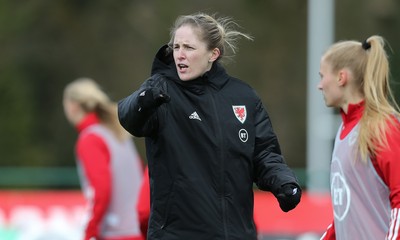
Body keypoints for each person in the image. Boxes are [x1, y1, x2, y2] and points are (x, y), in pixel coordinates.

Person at [118, 12, 301, 240]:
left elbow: (264, 153)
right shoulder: (161, 90)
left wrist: (284, 181)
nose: (180, 55)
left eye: (189, 48)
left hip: (236, 234)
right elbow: (128, 117)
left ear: (213, 54)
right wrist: (143, 100)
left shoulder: (243, 96)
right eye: (176, 47)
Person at [318, 35, 400, 239]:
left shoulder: (382, 127)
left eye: (322, 76)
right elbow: (347, 214)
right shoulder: (343, 131)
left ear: (341, 77)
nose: (320, 86)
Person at [63, 78, 145, 240]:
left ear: (73, 106)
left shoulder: (91, 139)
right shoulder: (119, 133)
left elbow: (100, 190)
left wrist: (90, 231)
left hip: (116, 233)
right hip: (139, 230)